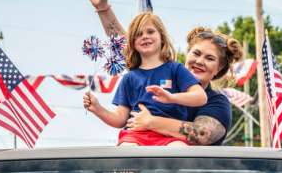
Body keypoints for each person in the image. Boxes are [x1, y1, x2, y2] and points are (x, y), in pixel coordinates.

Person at [85, 0, 243, 173]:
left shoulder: (217, 103)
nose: (199, 61)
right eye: (195, 53)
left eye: (209, 59)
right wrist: (104, 9)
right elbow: (130, 46)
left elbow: (202, 134)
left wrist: (152, 122)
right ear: (185, 55)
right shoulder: (164, 76)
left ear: (218, 70)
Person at [83, 10, 208, 146]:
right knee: (127, 151)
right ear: (132, 43)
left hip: (170, 135)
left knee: (179, 150)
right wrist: (97, 109)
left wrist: (172, 98)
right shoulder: (129, 78)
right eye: (138, 34)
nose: (145, 37)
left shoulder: (176, 69)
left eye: (150, 31)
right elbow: (120, 120)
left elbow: (201, 97)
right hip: (135, 135)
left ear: (162, 37)